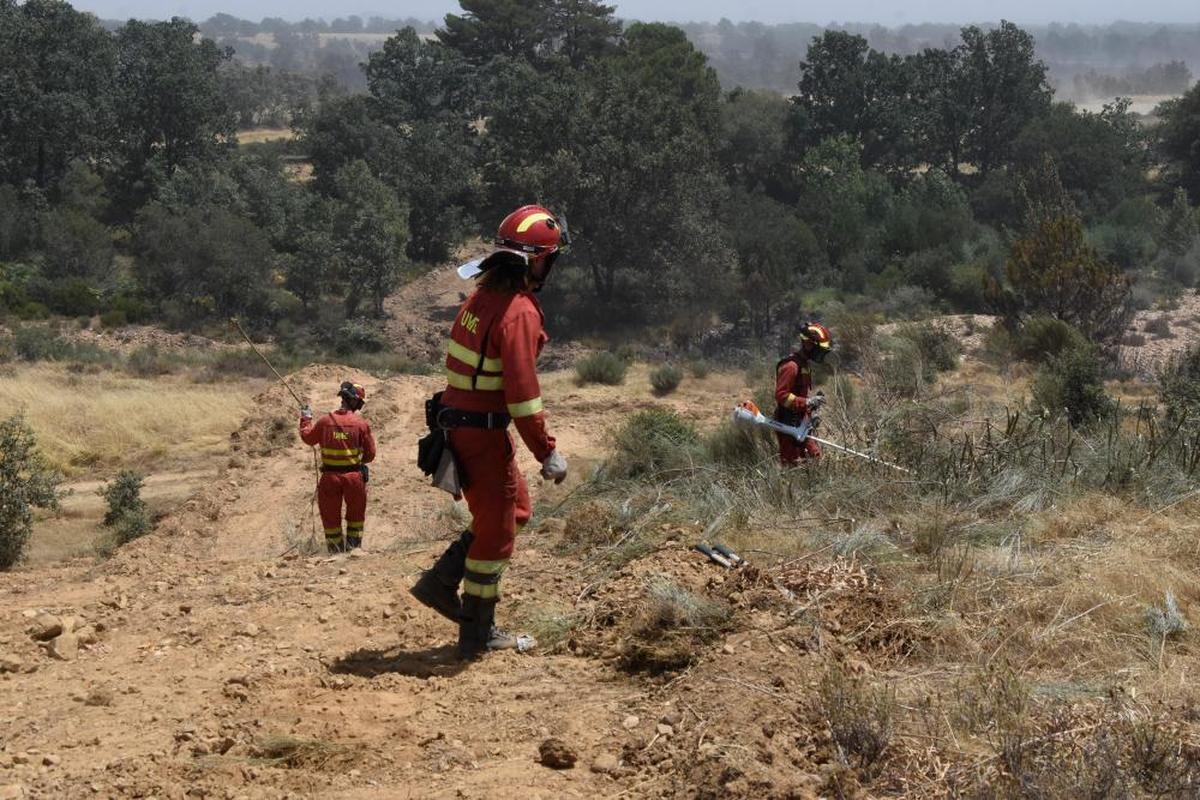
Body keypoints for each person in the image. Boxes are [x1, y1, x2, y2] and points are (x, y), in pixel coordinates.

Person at [410, 204, 569, 660]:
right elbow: (523, 395)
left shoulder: (480, 299)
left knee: (514, 510)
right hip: (481, 432)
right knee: (497, 536)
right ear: (538, 261)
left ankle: (440, 582)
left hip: (461, 423)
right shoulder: (519, 312)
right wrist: (547, 453)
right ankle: (476, 634)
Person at [300, 382, 376, 553]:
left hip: (329, 478)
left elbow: (308, 438)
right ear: (356, 402)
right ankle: (353, 551)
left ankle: (335, 553)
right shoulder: (361, 424)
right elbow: (370, 454)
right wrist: (358, 461)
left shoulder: (325, 421)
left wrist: (306, 419)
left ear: (342, 398)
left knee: (330, 519)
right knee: (356, 517)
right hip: (354, 478)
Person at [774, 322, 832, 466]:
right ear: (808, 344)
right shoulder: (791, 366)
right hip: (788, 426)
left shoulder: (804, 365)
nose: (820, 353)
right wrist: (806, 402)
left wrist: (811, 413)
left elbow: (801, 395)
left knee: (815, 460)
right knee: (793, 467)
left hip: (801, 425)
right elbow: (781, 395)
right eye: (819, 349)